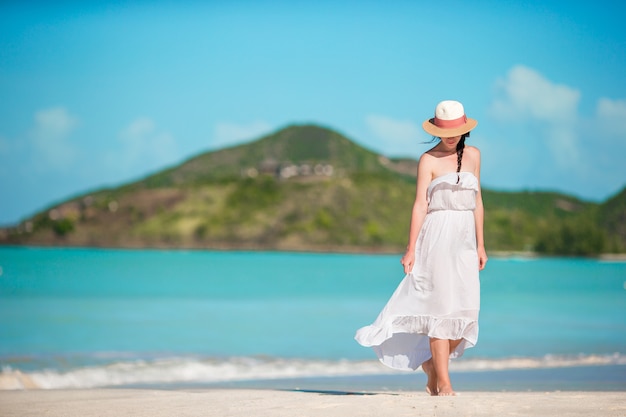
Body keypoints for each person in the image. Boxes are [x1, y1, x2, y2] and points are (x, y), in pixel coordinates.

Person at [355, 100, 487, 396]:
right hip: (436, 237)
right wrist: (411, 248)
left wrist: (481, 245)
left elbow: (477, 202)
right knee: (439, 311)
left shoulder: (475, 156)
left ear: (464, 129)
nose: (450, 136)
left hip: (465, 240)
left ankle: (430, 365)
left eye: (455, 130)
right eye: (445, 130)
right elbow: (419, 205)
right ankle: (445, 384)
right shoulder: (427, 159)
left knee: (465, 312)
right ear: (436, 130)